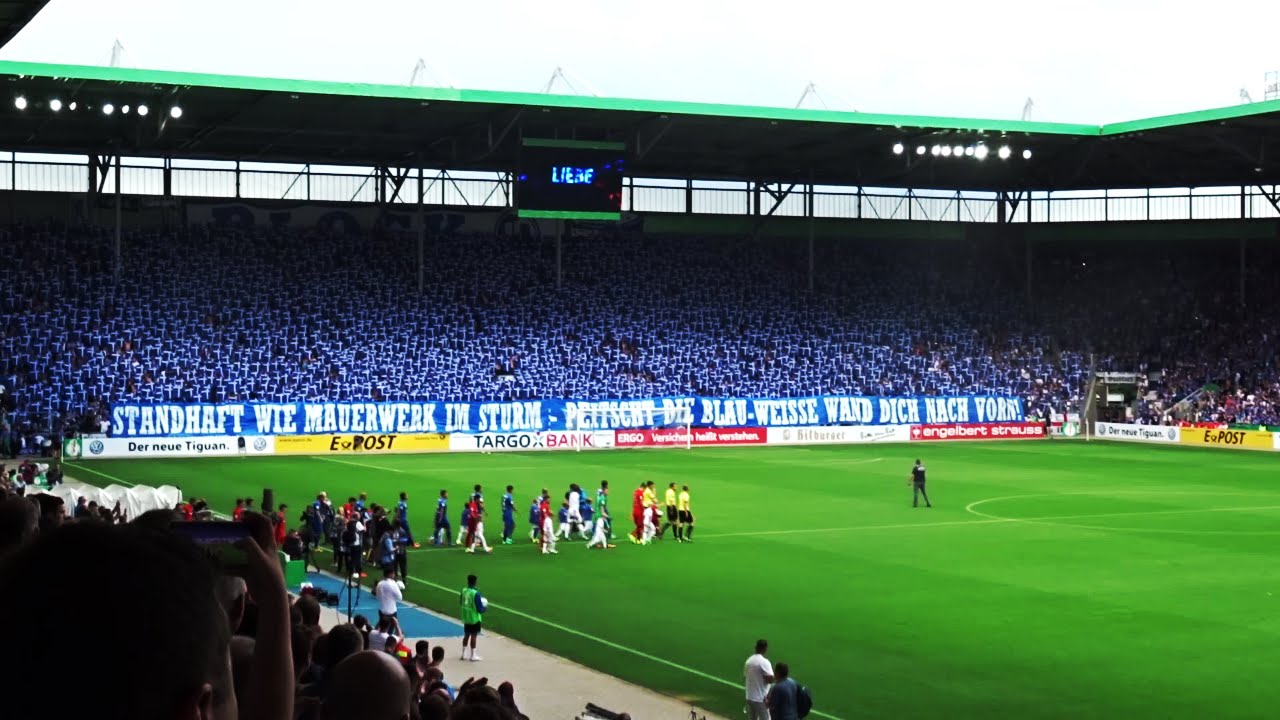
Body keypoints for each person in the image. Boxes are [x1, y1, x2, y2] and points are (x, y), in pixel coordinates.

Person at [745, 639, 776, 720]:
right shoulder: (764, 662)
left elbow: (745, 676)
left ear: (756, 647)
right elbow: (771, 679)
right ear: (765, 648)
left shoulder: (749, 661)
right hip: (760, 699)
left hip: (749, 696)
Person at [459, 574, 486, 661]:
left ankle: (463, 654)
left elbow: (461, 602)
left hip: (466, 617)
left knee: (466, 635)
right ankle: (473, 655)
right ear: (475, 582)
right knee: (474, 636)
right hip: (474, 618)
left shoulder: (463, 591)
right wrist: (485, 608)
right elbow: (479, 609)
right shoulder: (476, 593)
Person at [375, 567, 404, 635]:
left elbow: (377, 596)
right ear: (390, 574)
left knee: (382, 628)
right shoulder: (393, 584)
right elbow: (400, 597)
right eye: (393, 573)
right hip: (391, 611)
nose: (394, 575)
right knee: (390, 630)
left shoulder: (380, 583)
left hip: (382, 609)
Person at [539, 489, 557, 554]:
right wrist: (550, 514)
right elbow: (544, 514)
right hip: (544, 521)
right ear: (546, 499)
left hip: (544, 521)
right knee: (548, 535)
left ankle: (544, 549)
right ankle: (549, 548)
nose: (550, 500)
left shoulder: (545, 504)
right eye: (549, 499)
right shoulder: (544, 505)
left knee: (545, 535)